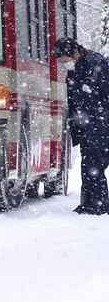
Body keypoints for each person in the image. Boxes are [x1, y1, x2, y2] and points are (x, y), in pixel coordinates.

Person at [54, 37, 109, 215]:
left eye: (64, 60)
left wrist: (98, 120)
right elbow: (75, 99)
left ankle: (98, 205)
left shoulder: (96, 64)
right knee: (88, 166)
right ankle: (89, 203)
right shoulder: (77, 68)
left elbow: (102, 95)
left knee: (95, 166)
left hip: (100, 125)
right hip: (88, 126)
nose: (64, 64)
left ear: (73, 53)